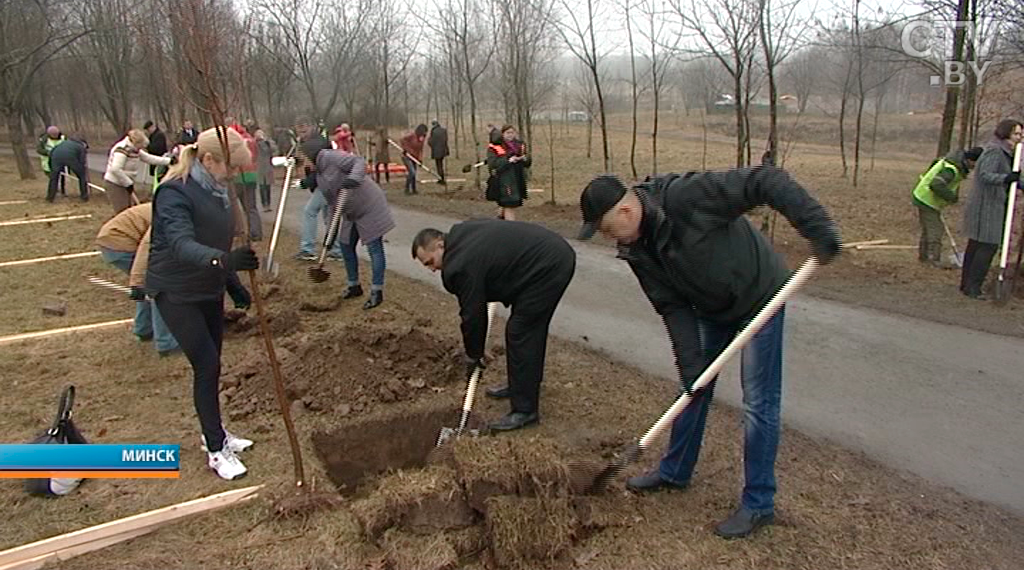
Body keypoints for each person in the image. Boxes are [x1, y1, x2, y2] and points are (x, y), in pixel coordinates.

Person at [577, 168, 840, 539]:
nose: (607, 238)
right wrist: (690, 366)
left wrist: (817, 227)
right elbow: (671, 306)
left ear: (625, 213)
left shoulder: (689, 198)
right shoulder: (637, 250)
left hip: (759, 295)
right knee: (693, 388)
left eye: (605, 229)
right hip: (710, 307)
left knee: (758, 402)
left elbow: (764, 181)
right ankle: (675, 471)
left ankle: (759, 504)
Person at [146, 126, 258, 481]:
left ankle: (218, 432)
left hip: (208, 288)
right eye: (231, 166)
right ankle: (214, 448)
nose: (235, 174)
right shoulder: (174, 194)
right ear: (209, 159)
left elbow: (218, 244)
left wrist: (233, 284)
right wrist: (224, 263)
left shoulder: (217, 191)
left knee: (213, 364)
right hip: (177, 292)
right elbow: (181, 245)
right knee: (206, 365)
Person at [412, 220, 576, 431]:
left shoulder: (458, 265)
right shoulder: (461, 234)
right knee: (528, 329)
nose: (432, 269)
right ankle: (522, 385)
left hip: (547, 266)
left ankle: (525, 411)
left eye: (430, 262)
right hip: (541, 261)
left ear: (440, 244)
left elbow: (472, 315)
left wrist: (473, 354)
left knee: (521, 331)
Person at [301, 146, 395, 310]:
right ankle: (354, 286)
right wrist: (330, 233)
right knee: (345, 245)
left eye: (304, 161)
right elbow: (332, 204)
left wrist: (354, 178)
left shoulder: (332, 157)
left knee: (374, 248)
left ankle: (376, 291)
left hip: (369, 205)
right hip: (350, 211)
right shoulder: (320, 176)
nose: (304, 166)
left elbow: (358, 161)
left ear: (311, 157)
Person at [95, 203, 180, 356]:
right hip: (120, 243)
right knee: (162, 288)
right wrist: (137, 280)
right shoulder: (173, 215)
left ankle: (144, 329)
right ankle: (167, 344)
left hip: (112, 240)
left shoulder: (173, 205)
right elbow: (147, 247)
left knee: (150, 286)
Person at [961, 119, 1024, 299]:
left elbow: (1013, 178)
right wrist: (1006, 178)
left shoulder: (1007, 153)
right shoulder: (995, 151)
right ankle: (973, 287)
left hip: (993, 204)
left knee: (976, 245)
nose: (1019, 138)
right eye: (1016, 134)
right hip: (986, 206)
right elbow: (985, 175)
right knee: (987, 245)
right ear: (1006, 134)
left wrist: (1016, 181)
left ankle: (967, 285)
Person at [913, 147, 983, 267]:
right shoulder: (951, 169)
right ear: (971, 160)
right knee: (935, 229)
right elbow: (936, 185)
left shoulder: (953, 164)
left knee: (928, 229)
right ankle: (933, 260)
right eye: (977, 163)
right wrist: (951, 197)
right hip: (926, 199)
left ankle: (924, 257)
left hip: (924, 198)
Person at [293, 118, 339, 261]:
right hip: (326, 183)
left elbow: (319, 170)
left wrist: (304, 183)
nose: (302, 133)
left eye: (305, 130)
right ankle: (337, 250)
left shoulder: (316, 145)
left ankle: (308, 249)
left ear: (312, 127)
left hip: (328, 184)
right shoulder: (310, 143)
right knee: (329, 216)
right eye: (299, 131)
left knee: (310, 211)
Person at [103, 129, 172, 213]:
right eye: (141, 146)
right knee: (122, 211)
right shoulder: (122, 149)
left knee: (130, 209)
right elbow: (115, 169)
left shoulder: (135, 150)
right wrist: (128, 183)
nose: (141, 149)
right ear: (136, 143)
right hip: (115, 183)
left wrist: (169, 161)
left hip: (125, 183)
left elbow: (149, 158)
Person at [486, 124, 531, 221]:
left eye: (512, 132)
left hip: (518, 178)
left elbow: (528, 162)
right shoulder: (495, 147)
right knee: (510, 204)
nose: (510, 135)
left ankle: (500, 218)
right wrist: (508, 161)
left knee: (509, 202)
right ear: (502, 134)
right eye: (508, 133)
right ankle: (511, 227)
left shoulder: (520, 145)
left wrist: (524, 159)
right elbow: (493, 164)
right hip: (504, 180)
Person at [229, 122, 262, 241]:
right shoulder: (250, 139)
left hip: (237, 175)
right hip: (251, 174)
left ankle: (238, 231)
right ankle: (256, 232)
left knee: (233, 205)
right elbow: (256, 155)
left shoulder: (232, 141)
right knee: (251, 207)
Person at [47, 134, 90, 203]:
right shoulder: (81, 146)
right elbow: (82, 161)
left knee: (54, 178)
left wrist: (51, 168)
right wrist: (81, 169)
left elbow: (51, 153)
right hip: (70, 158)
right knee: (81, 176)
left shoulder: (63, 143)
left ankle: (50, 197)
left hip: (56, 157)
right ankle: (84, 197)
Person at [37, 126, 66, 195]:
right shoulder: (44, 139)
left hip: (61, 161)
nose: (55, 136)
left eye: (56, 134)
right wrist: (48, 153)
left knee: (62, 177)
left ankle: (63, 191)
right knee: (53, 178)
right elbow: (39, 150)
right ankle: (54, 191)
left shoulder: (63, 138)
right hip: (47, 163)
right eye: (53, 135)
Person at [254, 128, 278, 212]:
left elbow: (273, 150)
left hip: (267, 167)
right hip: (259, 167)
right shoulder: (254, 143)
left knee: (268, 187)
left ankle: (268, 204)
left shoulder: (267, 142)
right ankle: (264, 205)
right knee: (262, 187)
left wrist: (266, 142)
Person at [400, 124, 428, 195]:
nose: (425, 133)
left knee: (414, 174)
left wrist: (420, 159)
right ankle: (406, 189)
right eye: (424, 131)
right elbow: (402, 140)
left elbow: (420, 150)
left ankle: (414, 189)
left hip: (415, 158)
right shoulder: (412, 135)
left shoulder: (422, 139)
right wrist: (406, 149)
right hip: (407, 156)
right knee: (412, 172)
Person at [428, 119, 449, 185]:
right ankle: (441, 178)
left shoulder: (433, 131)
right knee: (441, 164)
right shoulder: (444, 130)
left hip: (437, 151)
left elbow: (431, 142)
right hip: (443, 150)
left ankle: (441, 179)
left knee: (438, 165)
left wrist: (431, 145)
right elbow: (446, 140)